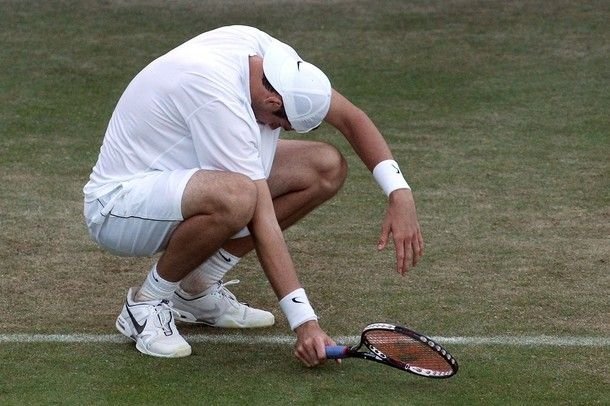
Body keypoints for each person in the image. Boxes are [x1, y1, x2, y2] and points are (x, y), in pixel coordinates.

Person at [83, 25, 424, 367]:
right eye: (281, 124)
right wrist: (306, 323)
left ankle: (197, 289)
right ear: (273, 102)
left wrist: (400, 193)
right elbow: (263, 219)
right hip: (119, 207)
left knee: (324, 166)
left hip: (181, 179)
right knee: (239, 196)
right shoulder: (217, 96)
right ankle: (145, 304)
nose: (277, 131)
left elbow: (350, 118)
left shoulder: (275, 64)